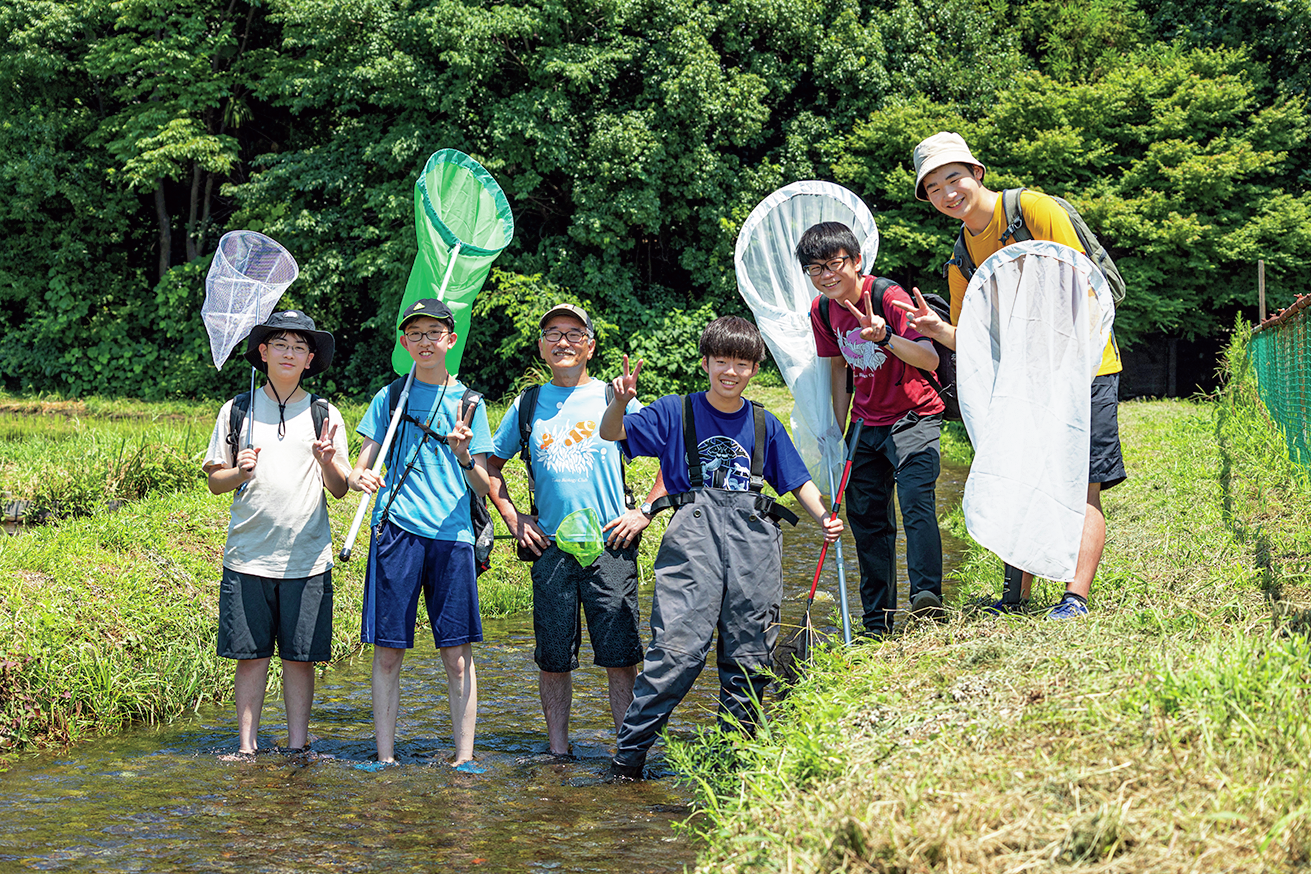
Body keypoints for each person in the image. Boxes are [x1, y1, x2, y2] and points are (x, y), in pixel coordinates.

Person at [599, 316, 843, 781]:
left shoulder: (764, 423)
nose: (731, 372)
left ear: (754, 370)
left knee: (749, 656)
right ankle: (627, 763)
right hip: (692, 544)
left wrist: (823, 516)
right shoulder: (676, 411)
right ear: (707, 362)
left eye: (742, 364)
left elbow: (796, 480)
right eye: (723, 361)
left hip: (755, 547)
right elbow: (614, 433)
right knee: (676, 654)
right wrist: (620, 403)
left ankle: (734, 763)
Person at [905, 131, 1127, 620]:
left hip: (1085, 367)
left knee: (1084, 481)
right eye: (934, 188)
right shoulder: (962, 255)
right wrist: (938, 329)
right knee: (1019, 479)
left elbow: (1084, 285)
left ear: (976, 173)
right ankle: (1015, 597)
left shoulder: (1033, 209)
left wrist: (1050, 359)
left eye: (953, 177)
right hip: (1024, 382)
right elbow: (975, 340)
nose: (947, 193)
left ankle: (1076, 597)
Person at [486, 303, 666, 758]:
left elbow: (672, 451)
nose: (562, 341)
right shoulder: (527, 404)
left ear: (590, 344)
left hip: (611, 545)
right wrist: (514, 517)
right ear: (542, 346)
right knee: (552, 658)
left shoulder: (613, 396)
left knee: (621, 659)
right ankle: (558, 753)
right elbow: (492, 464)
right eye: (552, 333)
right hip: (550, 548)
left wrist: (644, 511)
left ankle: (628, 755)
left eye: (573, 333)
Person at [348, 297, 494, 766]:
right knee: (388, 651)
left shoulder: (470, 404)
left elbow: (484, 484)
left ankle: (464, 758)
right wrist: (358, 477)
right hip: (396, 530)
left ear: (451, 340)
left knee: (457, 654)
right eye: (416, 333)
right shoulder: (391, 396)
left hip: (452, 536)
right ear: (404, 341)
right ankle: (386, 757)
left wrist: (464, 455)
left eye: (434, 333)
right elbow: (361, 465)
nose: (425, 341)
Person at [201, 310, 351, 758]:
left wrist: (327, 460)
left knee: (299, 658)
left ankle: (297, 744)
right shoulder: (237, 410)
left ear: (310, 359)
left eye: (299, 346)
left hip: (307, 557)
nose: (289, 353)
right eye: (280, 344)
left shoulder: (324, 414)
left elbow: (340, 489)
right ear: (263, 352)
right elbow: (214, 481)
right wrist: (238, 471)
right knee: (251, 656)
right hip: (247, 556)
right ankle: (246, 747)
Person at [797, 222, 946, 637]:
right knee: (867, 520)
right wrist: (836, 430)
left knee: (916, 503)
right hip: (864, 424)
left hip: (913, 415)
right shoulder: (822, 310)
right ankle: (878, 621)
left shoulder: (888, 297)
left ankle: (926, 601)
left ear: (857, 261)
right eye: (815, 268)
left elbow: (930, 359)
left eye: (834, 264)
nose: (826, 275)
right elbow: (838, 366)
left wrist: (884, 338)